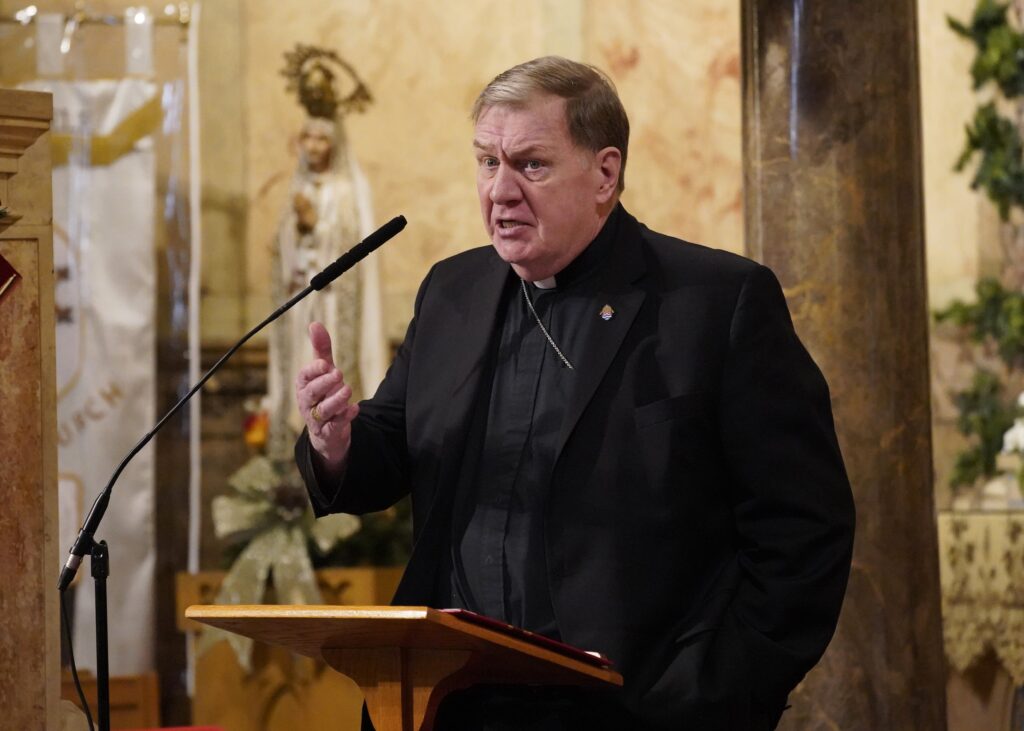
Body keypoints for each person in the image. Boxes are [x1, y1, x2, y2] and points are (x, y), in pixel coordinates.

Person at [294, 56, 855, 730]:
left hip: (630, 706)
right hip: (448, 702)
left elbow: (804, 531)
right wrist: (338, 442)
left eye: (530, 164)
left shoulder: (714, 304)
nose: (499, 190)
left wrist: (717, 693)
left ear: (605, 174)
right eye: (486, 162)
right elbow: (390, 448)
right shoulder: (452, 292)